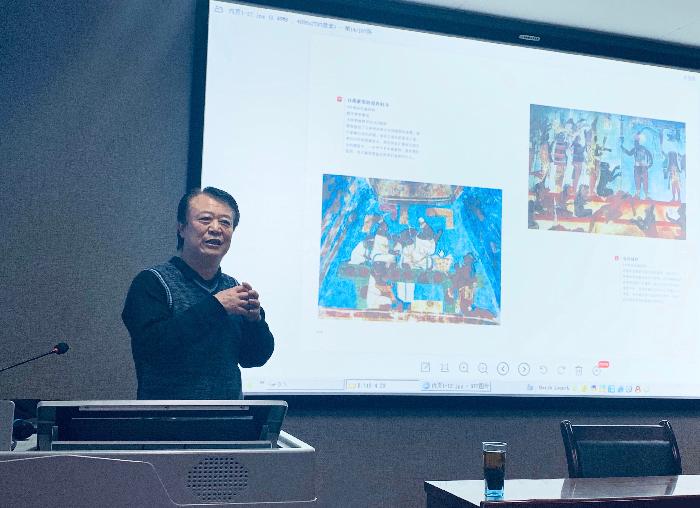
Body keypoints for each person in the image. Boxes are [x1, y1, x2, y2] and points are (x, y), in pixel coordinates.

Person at [122, 187, 274, 399]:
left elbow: (253, 358)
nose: (216, 229)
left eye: (225, 222)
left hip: (228, 417)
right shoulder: (152, 282)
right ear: (182, 228)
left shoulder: (233, 287)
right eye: (205, 219)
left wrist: (254, 322)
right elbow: (152, 348)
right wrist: (216, 306)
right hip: (166, 417)